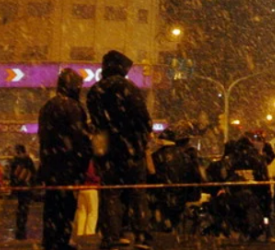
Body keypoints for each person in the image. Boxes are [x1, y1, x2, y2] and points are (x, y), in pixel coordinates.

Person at [86, 49, 153, 249]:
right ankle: (141, 234)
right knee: (137, 193)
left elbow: (97, 128)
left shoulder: (96, 91)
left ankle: (112, 236)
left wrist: (100, 155)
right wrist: (139, 143)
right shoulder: (129, 88)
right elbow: (144, 119)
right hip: (132, 150)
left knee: (110, 195)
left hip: (108, 152)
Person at [39, 68, 93, 250]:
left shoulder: (48, 106)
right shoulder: (73, 107)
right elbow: (79, 139)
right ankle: (61, 241)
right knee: (66, 207)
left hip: (51, 166)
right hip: (68, 167)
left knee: (52, 206)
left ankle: (50, 241)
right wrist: (84, 158)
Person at [150, 123, 204, 233]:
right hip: (180, 197)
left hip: (163, 197)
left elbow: (152, 175)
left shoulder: (157, 156)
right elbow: (194, 175)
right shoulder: (184, 156)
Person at [9, 143, 38, 240]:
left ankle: (19, 223)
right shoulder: (28, 160)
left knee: (20, 205)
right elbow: (33, 173)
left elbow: (12, 176)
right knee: (25, 206)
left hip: (19, 187)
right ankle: (22, 222)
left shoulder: (15, 161)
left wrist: (13, 186)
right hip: (27, 187)